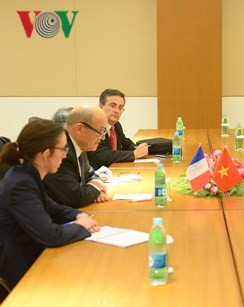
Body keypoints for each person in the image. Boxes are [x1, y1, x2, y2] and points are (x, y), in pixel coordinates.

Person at [0, 119, 99, 297]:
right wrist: (82, 226)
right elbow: (50, 235)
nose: (64, 155)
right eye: (63, 149)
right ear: (46, 154)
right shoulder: (20, 183)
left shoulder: (28, 175)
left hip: (35, 255)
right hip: (21, 268)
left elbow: (54, 208)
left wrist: (80, 215)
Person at [44, 104, 109, 208]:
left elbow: (91, 174)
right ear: (80, 129)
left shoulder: (80, 144)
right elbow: (75, 198)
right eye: (100, 131)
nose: (103, 137)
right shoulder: (60, 151)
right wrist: (96, 189)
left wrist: (94, 189)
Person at [87, 89, 148, 169]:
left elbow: (125, 142)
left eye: (120, 107)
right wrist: (134, 154)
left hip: (114, 170)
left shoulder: (116, 125)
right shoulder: (94, 126)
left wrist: (138, 148)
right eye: (113, 106)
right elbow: (102, 156)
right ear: (101, 106)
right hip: (99, 173)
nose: (117, 111)